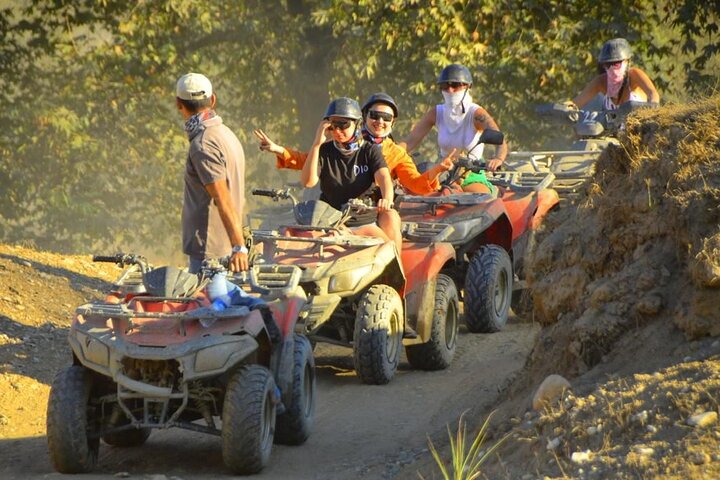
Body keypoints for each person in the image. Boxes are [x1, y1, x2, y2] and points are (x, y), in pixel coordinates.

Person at [254, 92, 456, 196]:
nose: (380, 121)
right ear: (363, 117)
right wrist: (277, 149)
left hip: (373, 209)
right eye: (375, 115)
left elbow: (416, 184)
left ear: (393, 123)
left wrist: (437, 169)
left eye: (386, 118)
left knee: (391, 227)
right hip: (334, 207)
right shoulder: (344, 141)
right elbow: (309, 161)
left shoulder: (396, 153)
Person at [289, 97, 401, 251]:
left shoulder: (369, 150)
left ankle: (400, 273)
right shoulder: (324, 151)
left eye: (343, 125)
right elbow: (308, 182)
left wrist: (387, 199)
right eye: (332, 125)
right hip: (329, 224)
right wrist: (316, 144)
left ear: (357, 124)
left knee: (387, 250)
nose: (337, 131)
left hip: (362, 222)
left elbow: (383, 177)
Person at [175, 72, 248, 274]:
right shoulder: (226, 134)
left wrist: (239, 247)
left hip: (209, 250)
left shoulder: (203, 144)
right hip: (223, 245)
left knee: (206, 303)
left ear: (178, 104)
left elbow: (222, 198)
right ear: (213, 99)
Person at [399, 63, 508, 195]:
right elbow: (410, 141)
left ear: (467, 86)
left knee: (481, 200)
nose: (450, 90)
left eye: (455, 85)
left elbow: (499, 139)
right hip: (442, 171)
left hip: (470, 173)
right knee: (414, 195)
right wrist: (390, 155)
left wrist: (498, 159)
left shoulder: (476, 114)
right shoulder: (436, 112)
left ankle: (496, 192)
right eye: (445, 86)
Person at [570, 38, 660, 110]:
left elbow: (653, 94)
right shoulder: (601, 82)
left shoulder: (634, 75)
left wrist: (652, 107)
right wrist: (561, 108)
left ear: (627, 62)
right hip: (614, 132)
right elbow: (576, 103)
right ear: (603, 66)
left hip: (639, 130)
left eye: (617, 64)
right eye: (608, 64)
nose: (613, 69)